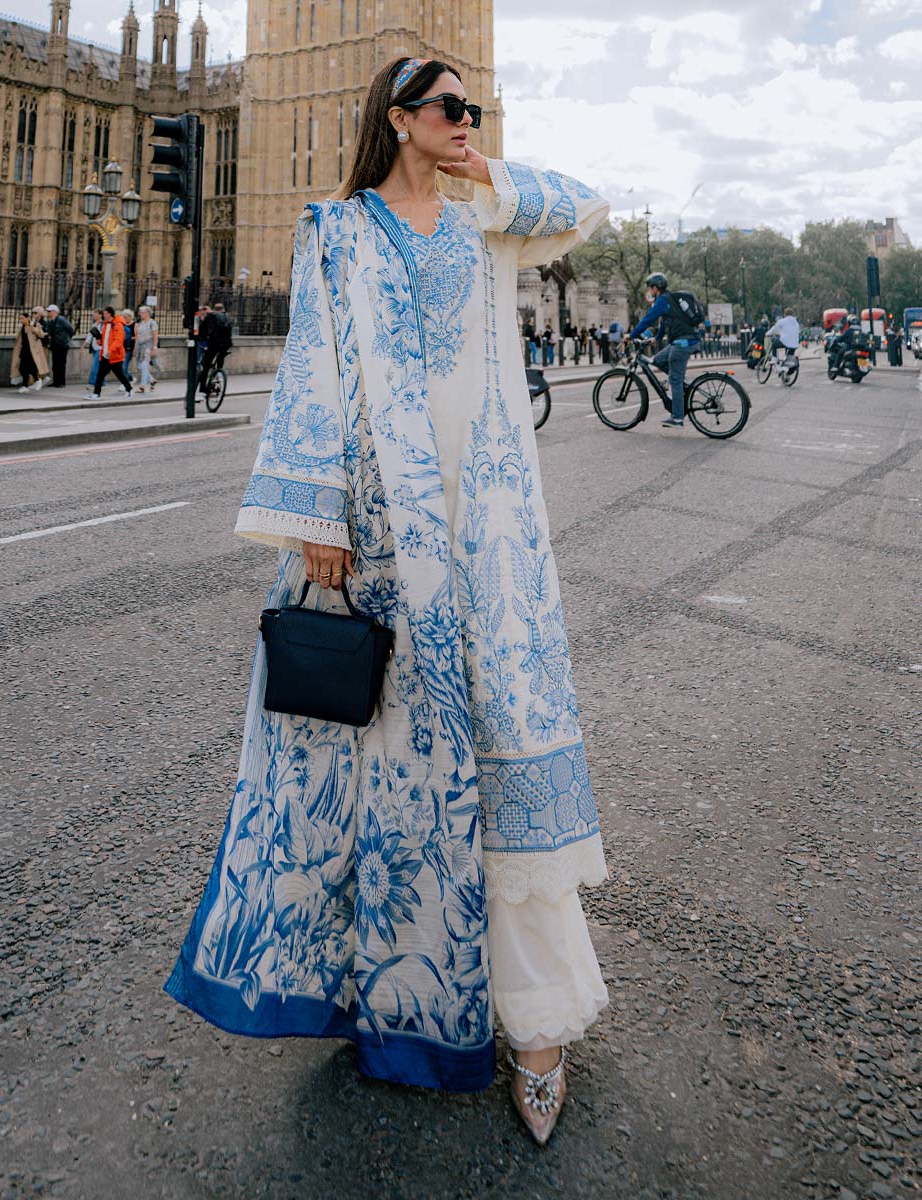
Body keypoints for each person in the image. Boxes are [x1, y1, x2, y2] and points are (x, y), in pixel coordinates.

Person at [165, 55, 611, 1147]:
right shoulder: (337, 229)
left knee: (507, 749)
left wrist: (485, 168)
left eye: (472, 107)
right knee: (380, 768)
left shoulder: (483, 225)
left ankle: (538, 1022)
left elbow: (583, 206)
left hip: (487, 529)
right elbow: (314, 366)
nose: (466, 121)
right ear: (399, 119)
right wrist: (316, 517)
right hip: (375, 529)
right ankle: (395, 1003)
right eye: (450, 109)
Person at [625, 272, 703, 429]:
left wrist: (631, 335)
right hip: (686, 340)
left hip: (682, 343)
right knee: (657, 360)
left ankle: (677, 418)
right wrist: (657, 338)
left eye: (650, 287)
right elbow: (664, 322)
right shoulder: (669, 299)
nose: (650, 290)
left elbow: (648, 319)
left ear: (656, 288)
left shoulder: (662, 300)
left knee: (674, 379)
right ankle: (681, 385)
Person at [91, 306, 133, 399]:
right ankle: (96, 394)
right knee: (100, 374)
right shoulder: (106, 324)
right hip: (106, 354)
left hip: (114, 355)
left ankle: (129, 390)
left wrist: (110, 350)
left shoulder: (117, 325)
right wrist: (100, 341)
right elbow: (106, 339)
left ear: (110, 314)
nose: (103, 315)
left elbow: (118, 340)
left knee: (119, 374)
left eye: (105, 313)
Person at [197, 301, 233, 395]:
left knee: (206, 366)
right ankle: (219, 373)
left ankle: (202, 390)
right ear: (223, 309)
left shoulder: (211, 316)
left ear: (214, 309)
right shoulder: (228, 316)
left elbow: (202, 328)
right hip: (226, 344)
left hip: (214, 343)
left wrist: (202, 339)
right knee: (220, 357)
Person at [9, 312, 50, 392]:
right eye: (20, 318)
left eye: (22, 318)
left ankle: (28, 384)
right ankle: (33, 382)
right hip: (24, 350)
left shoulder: (35, 324)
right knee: (23, 368)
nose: (21, 320)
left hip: (32, 351)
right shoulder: (21, 327)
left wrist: (32, 328)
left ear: (27, 318)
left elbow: (41, 335)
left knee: (30, 367)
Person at [45, 304, 75, 387]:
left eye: (49, 311)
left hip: (62, 345)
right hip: (55, 345)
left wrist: (66, 339)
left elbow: (70, 329)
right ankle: (56, 381)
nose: (48, 313)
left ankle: (61, 382)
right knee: (55, 364)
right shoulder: (51, 321)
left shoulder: (61, 320)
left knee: (61, 364)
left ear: (54, 312)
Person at [133, 306, 160, 392]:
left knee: (144, 365)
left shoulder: (152, 323)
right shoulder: (139, 324)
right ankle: (151, 380)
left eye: (142, 312)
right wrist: (135, 348)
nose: (140, 314)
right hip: (140, 347)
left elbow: (155, 336)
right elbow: (137, 337)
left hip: (148, 346)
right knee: (140, 366)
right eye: (140, 312)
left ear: (147, 313)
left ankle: (142, 386)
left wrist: (154, 348)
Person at [82, 309, 105, 399]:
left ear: (100, 315)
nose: (94, 315)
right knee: (100, 367)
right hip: (95, 348)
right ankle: (102, 383)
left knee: (95, 366)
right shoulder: (94, 324)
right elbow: (89, 336)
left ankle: (92, 383)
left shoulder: (103, 324)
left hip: (100, 348)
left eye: (95, 314)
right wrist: (84, 345)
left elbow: (102, 335)